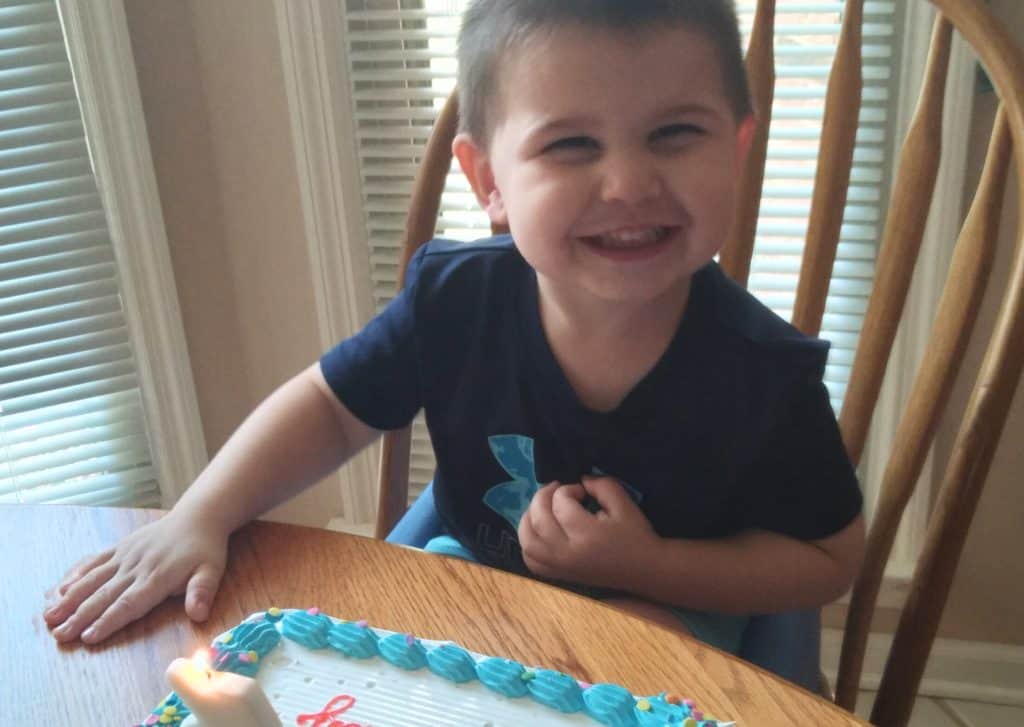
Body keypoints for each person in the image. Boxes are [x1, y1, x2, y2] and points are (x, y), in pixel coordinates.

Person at [44, 0, 864, 657]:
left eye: (675, 132)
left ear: (737, 149)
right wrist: (201, 514)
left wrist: (648, 565)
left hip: (681, 607)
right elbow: (333, 406)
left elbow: (830, 558)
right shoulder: (455, 302)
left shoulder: (766, 376)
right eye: (572, 144)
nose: (627, 182)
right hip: (473, 576)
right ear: (489, 181)